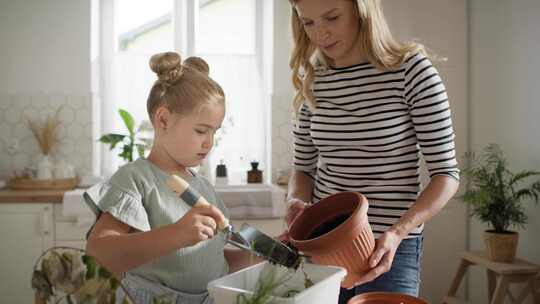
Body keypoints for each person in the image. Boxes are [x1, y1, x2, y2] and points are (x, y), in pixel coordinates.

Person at [285, 0, 460, 303]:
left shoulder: (412, 71)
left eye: (332, 17)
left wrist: (398, 232)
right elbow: (303, 168)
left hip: (392, 248)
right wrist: (295, 201)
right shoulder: (312, 79)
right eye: (308, 22)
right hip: (324, 246)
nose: (320, 33)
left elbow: (446, 174)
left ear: (361, 9)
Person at [84, 52, 254, 304]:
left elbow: (205, 261)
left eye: (214, 132)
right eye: (200, 130)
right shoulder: (136, 179)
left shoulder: (204, 188)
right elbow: (98, 254)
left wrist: (259, 257)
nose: (209, 142)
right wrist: (177, 234)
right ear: (163, 119)